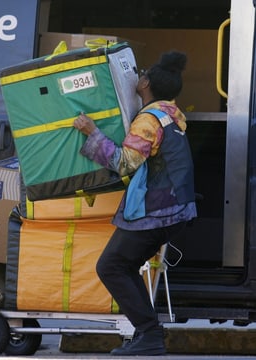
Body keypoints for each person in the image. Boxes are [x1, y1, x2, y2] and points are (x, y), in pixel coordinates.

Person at [73, 50, 196, 356]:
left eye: (141, 73)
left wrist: (92, 132)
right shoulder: (171, 114)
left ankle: (149, 334)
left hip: (157, 212)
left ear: (144, 83)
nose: (137, 77)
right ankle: (148, 333)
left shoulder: (148, 120)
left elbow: (125, 162)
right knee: (123, 265)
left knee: (111, 266)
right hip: (174, 208)